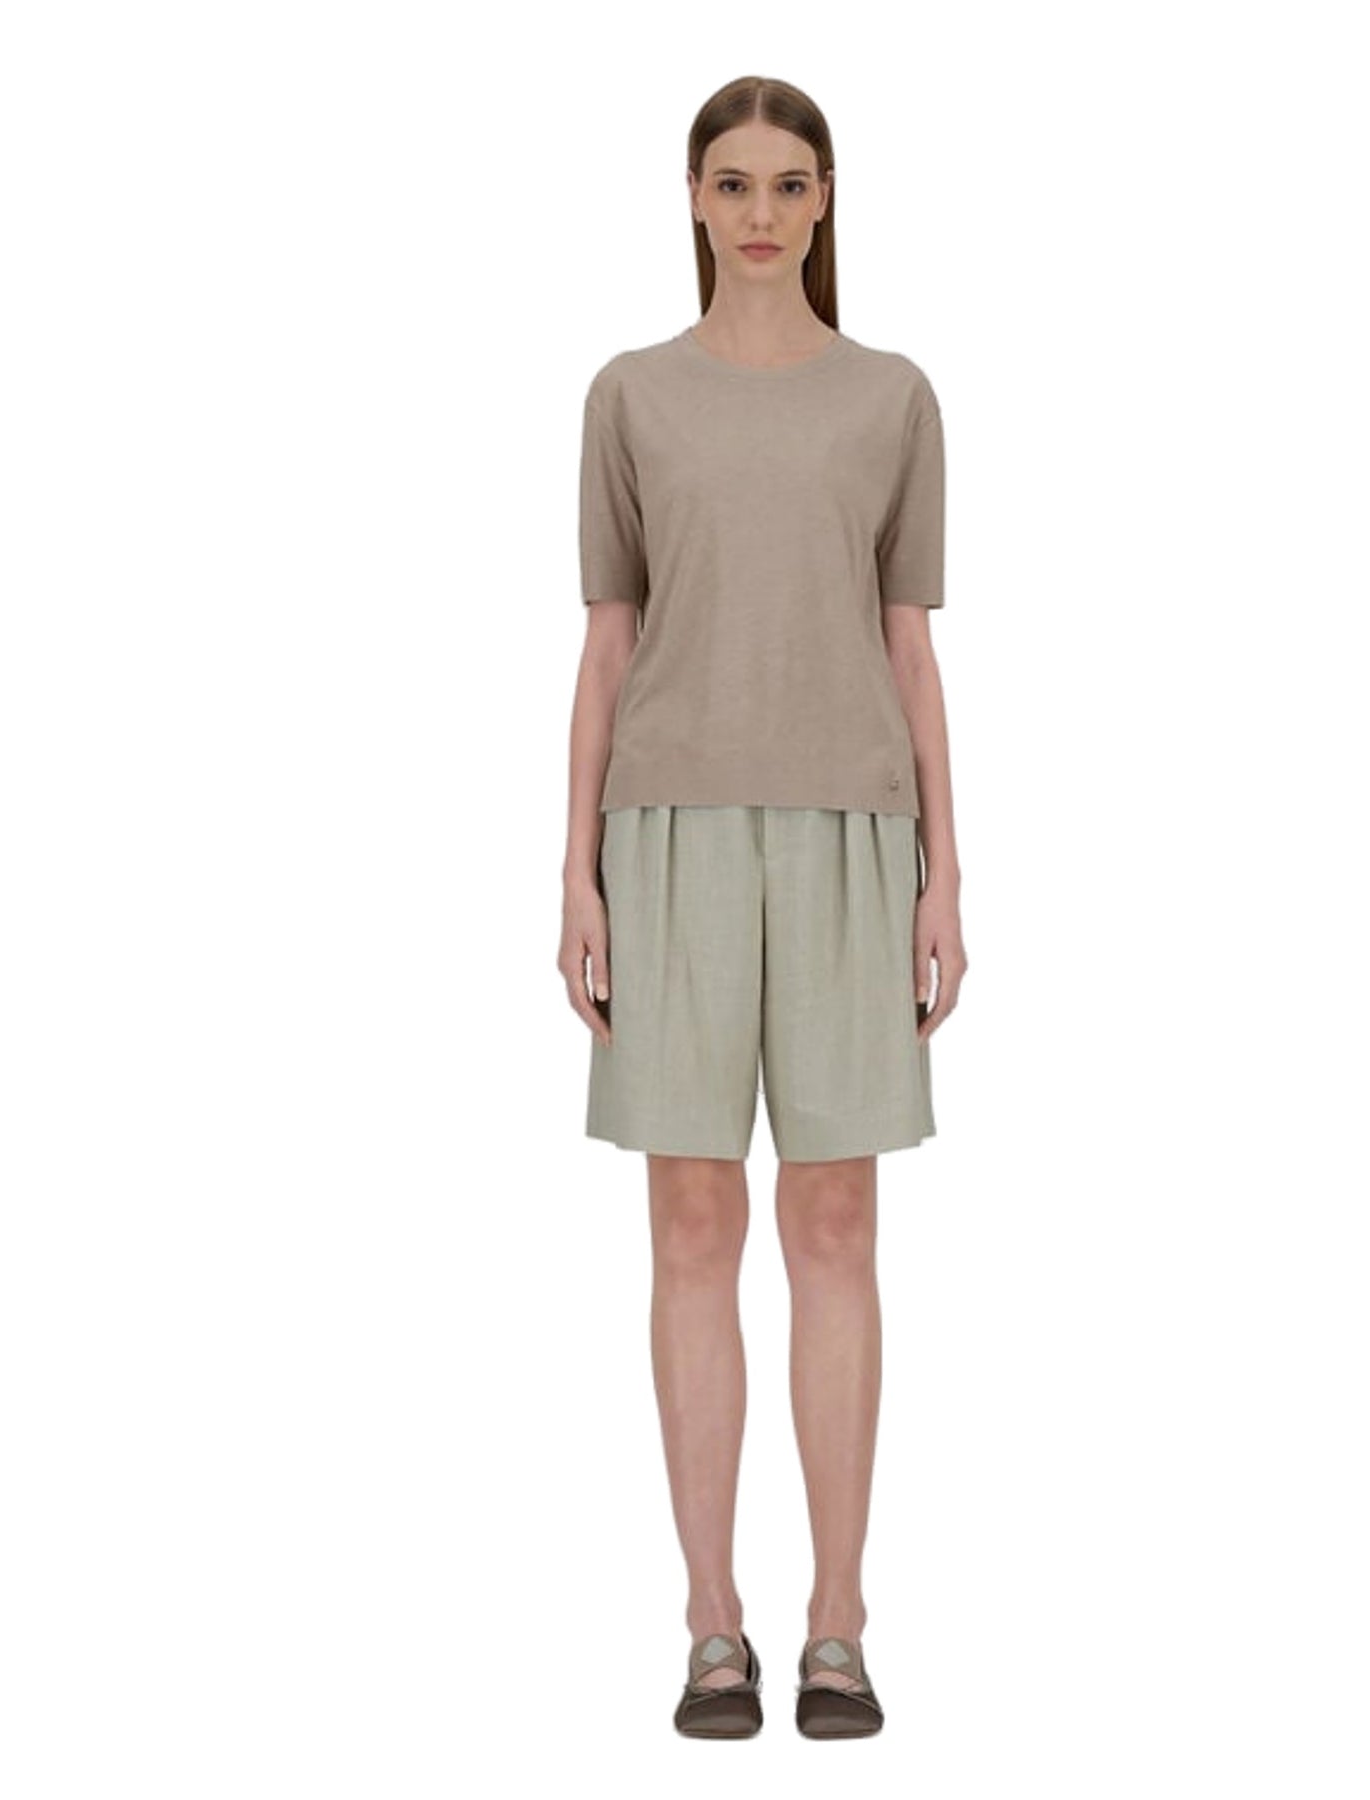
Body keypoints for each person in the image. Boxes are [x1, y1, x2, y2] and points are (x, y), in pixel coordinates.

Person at [558, 75, 968, 1741]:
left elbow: (909, 648)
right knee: (689, 1223)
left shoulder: (894, 398)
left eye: (789, 184)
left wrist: (949, 872)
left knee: (836, 1221)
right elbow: (607, 642)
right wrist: (572, 868)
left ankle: (839, 1625)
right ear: (691, 198)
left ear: (826, 200)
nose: (760, 214)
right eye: (732, 183)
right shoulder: (629, 396)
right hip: (665, 830)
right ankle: (711, 1625)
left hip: (855, 834)